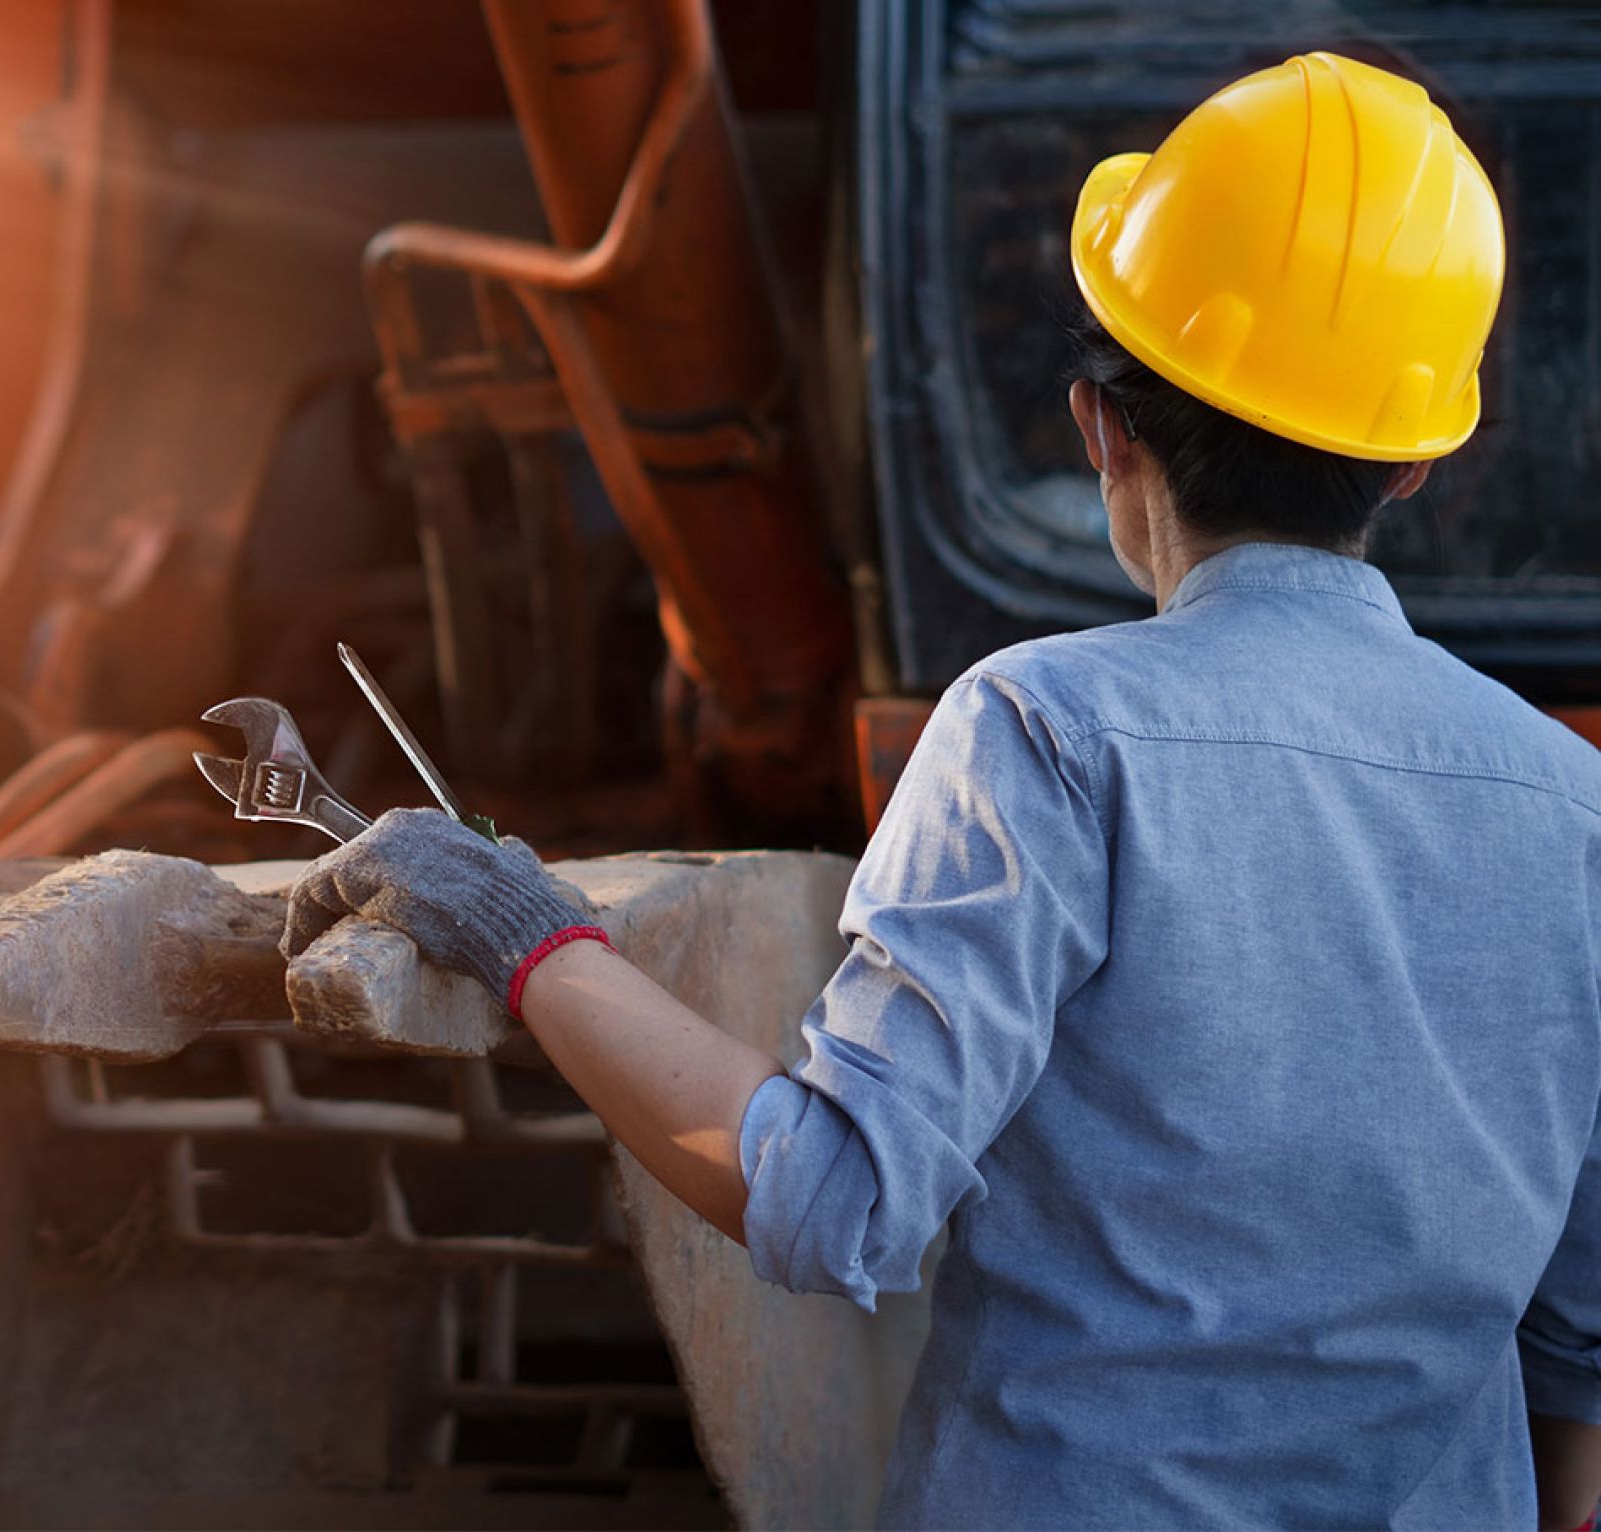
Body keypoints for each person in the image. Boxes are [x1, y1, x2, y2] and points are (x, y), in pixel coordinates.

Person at [284, 51, 1601, 1528]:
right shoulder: (1576, 811)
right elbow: (1578, 1340)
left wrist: (522, 929)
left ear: (1106, 430)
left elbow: (827, 1198)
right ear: (1417, 461)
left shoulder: (1049, 734)